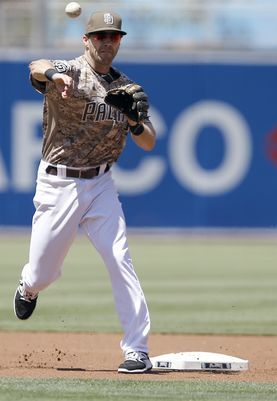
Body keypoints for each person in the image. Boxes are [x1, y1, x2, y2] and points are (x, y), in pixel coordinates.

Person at [13, 11, 156, 374]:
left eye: (114, 36)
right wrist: (53, 75)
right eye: (99, 36)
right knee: (43, 273)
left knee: (119, 259)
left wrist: (135, 121)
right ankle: (29, 286)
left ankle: (137, 349)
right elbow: (36, 65)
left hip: (102, 185)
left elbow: (150, 142)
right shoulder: (71, 71)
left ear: (120, 41)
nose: (107, 42)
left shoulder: (126, 88)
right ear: (86, 41)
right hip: (59, 183)